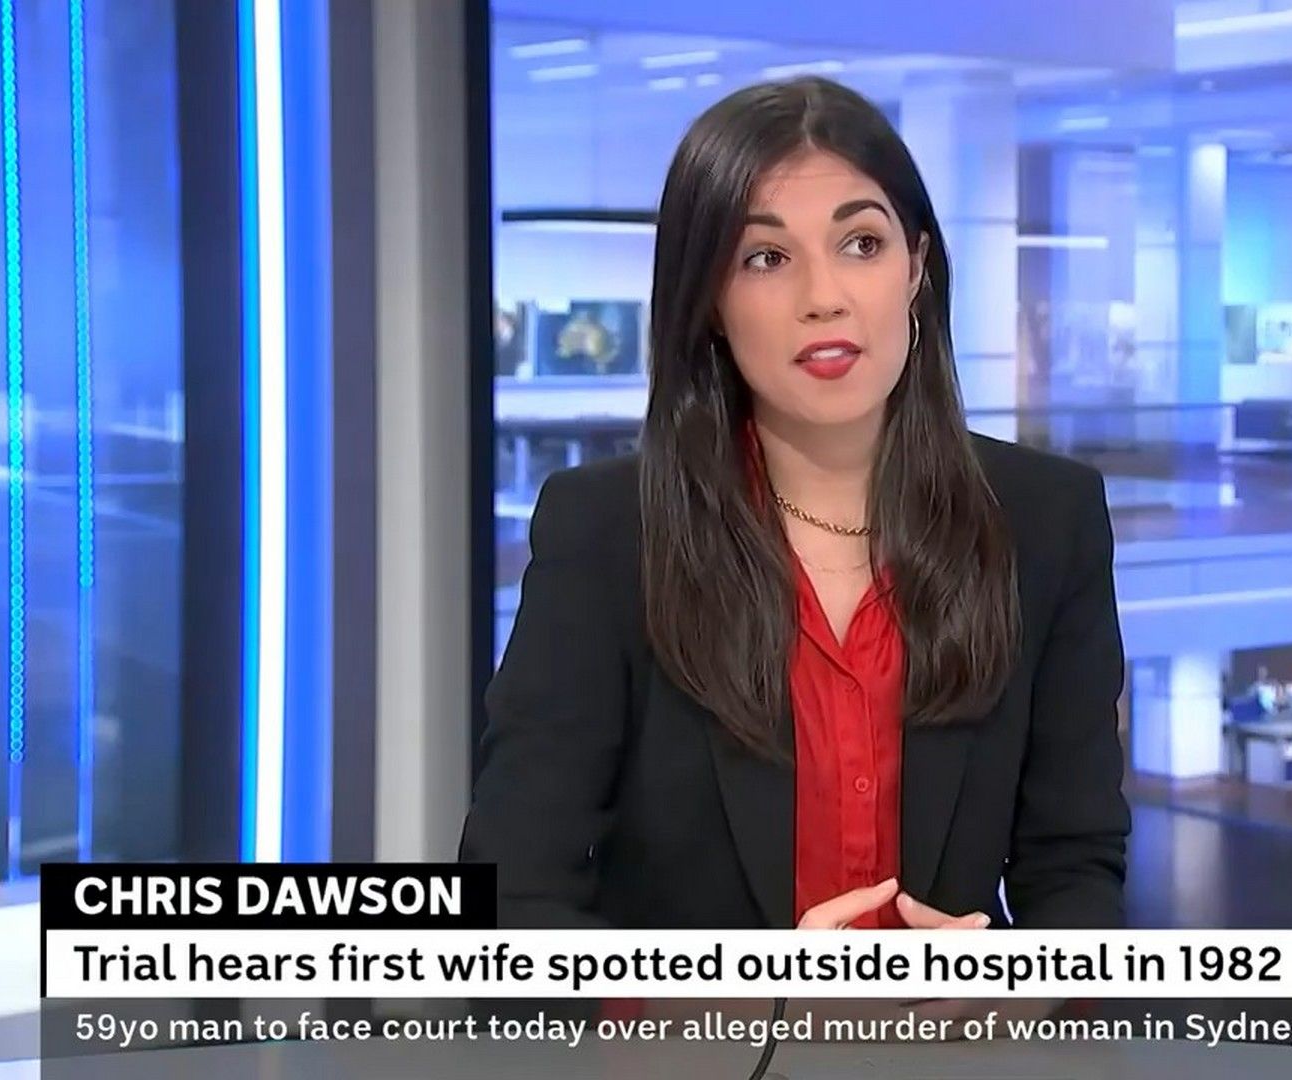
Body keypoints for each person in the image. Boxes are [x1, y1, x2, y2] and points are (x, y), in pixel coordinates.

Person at [459, 78, 1129, 938]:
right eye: (766, 258)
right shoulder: (609, 536)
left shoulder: (1047, 521)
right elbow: (510, 899)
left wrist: (1013, 984)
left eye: (861, 243)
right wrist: (752, 998)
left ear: (916, 269)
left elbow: (1075, 869)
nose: (825, 296)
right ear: (709, 300)